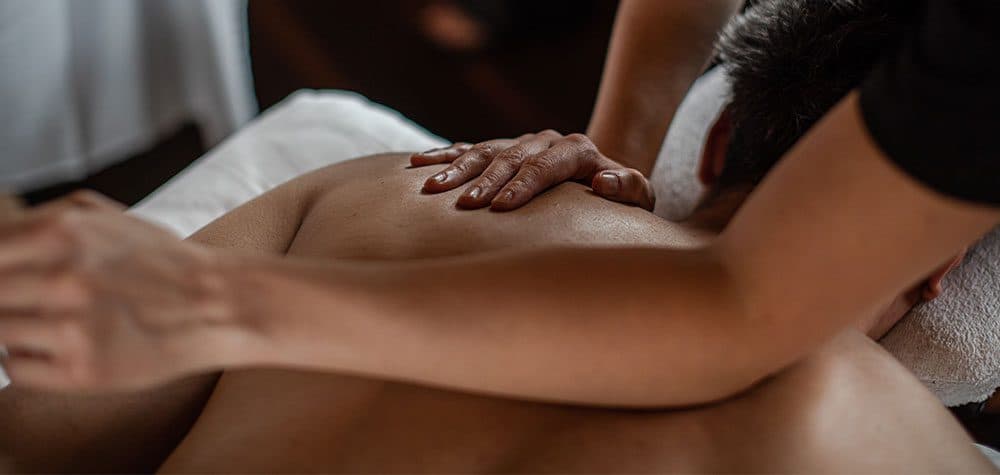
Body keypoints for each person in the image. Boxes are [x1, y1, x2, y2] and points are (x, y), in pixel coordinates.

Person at [0, 0, 996, 461]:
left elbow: (39, 437)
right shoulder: (906, 453)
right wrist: (610, 162)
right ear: (941, 267)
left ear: (719, 138)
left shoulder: (394, 194)